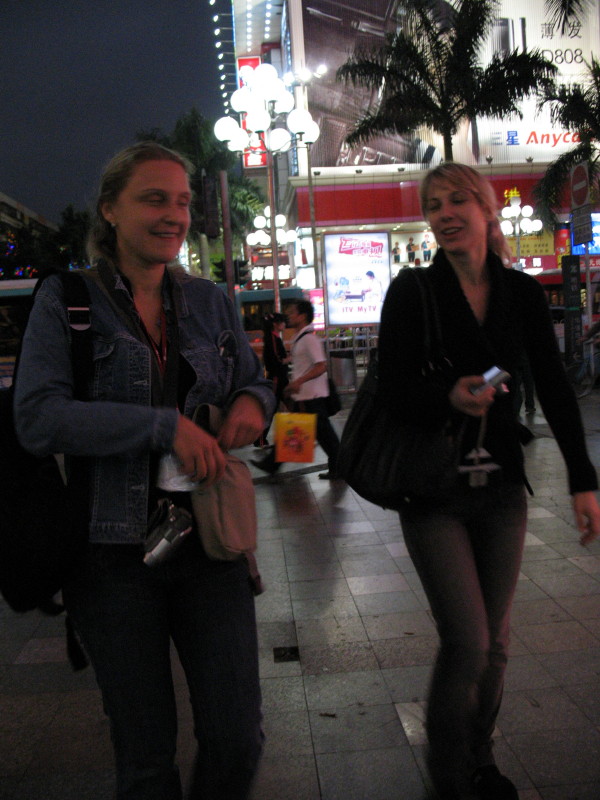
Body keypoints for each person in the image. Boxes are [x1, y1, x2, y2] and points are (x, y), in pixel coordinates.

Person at [14, 142, 275, 800]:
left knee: (238, 738)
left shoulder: (210, 301)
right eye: (154, 199)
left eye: (182, 201)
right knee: (146, 757)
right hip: (110, 557)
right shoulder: (69, 300)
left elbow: (254, 382)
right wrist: (161, 427)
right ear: (110, 209)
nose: (174, 215)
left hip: (210, 543)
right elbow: (38, 418)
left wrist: (252, 403)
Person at [377, 162, 600, 800]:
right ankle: (449, 778)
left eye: (457, 201)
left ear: (485, 209)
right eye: (434, 205)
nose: (445, 214)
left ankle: (480, 759)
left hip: (501, 485)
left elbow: (554, 386)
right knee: (469, 640)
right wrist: (448, 394)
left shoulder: (520, 293)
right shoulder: (413, 291)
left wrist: (583, 480)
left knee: (496, 643)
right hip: (433, 487)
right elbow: (392, 390)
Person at [252, 300, 341, 480]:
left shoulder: (309, 339)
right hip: (306, 395)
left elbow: (321, 366)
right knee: (302, 430)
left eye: (292, 312)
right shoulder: (301, 338)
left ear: (303, 316)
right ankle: (272, 464)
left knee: (321, 435)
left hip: (313, 396)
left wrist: (298, 381)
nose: (289, 316)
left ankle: (272, 464)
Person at [254, 312, 289, 445]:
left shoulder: (273, 338)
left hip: (280, 378)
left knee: (290, 404)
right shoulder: (273, 339)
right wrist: (288, 359)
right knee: (272, 408)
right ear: (276, 324)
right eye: (282, 322)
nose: (285, 324)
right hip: (277, 379)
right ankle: (260, 438)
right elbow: (276, 360)